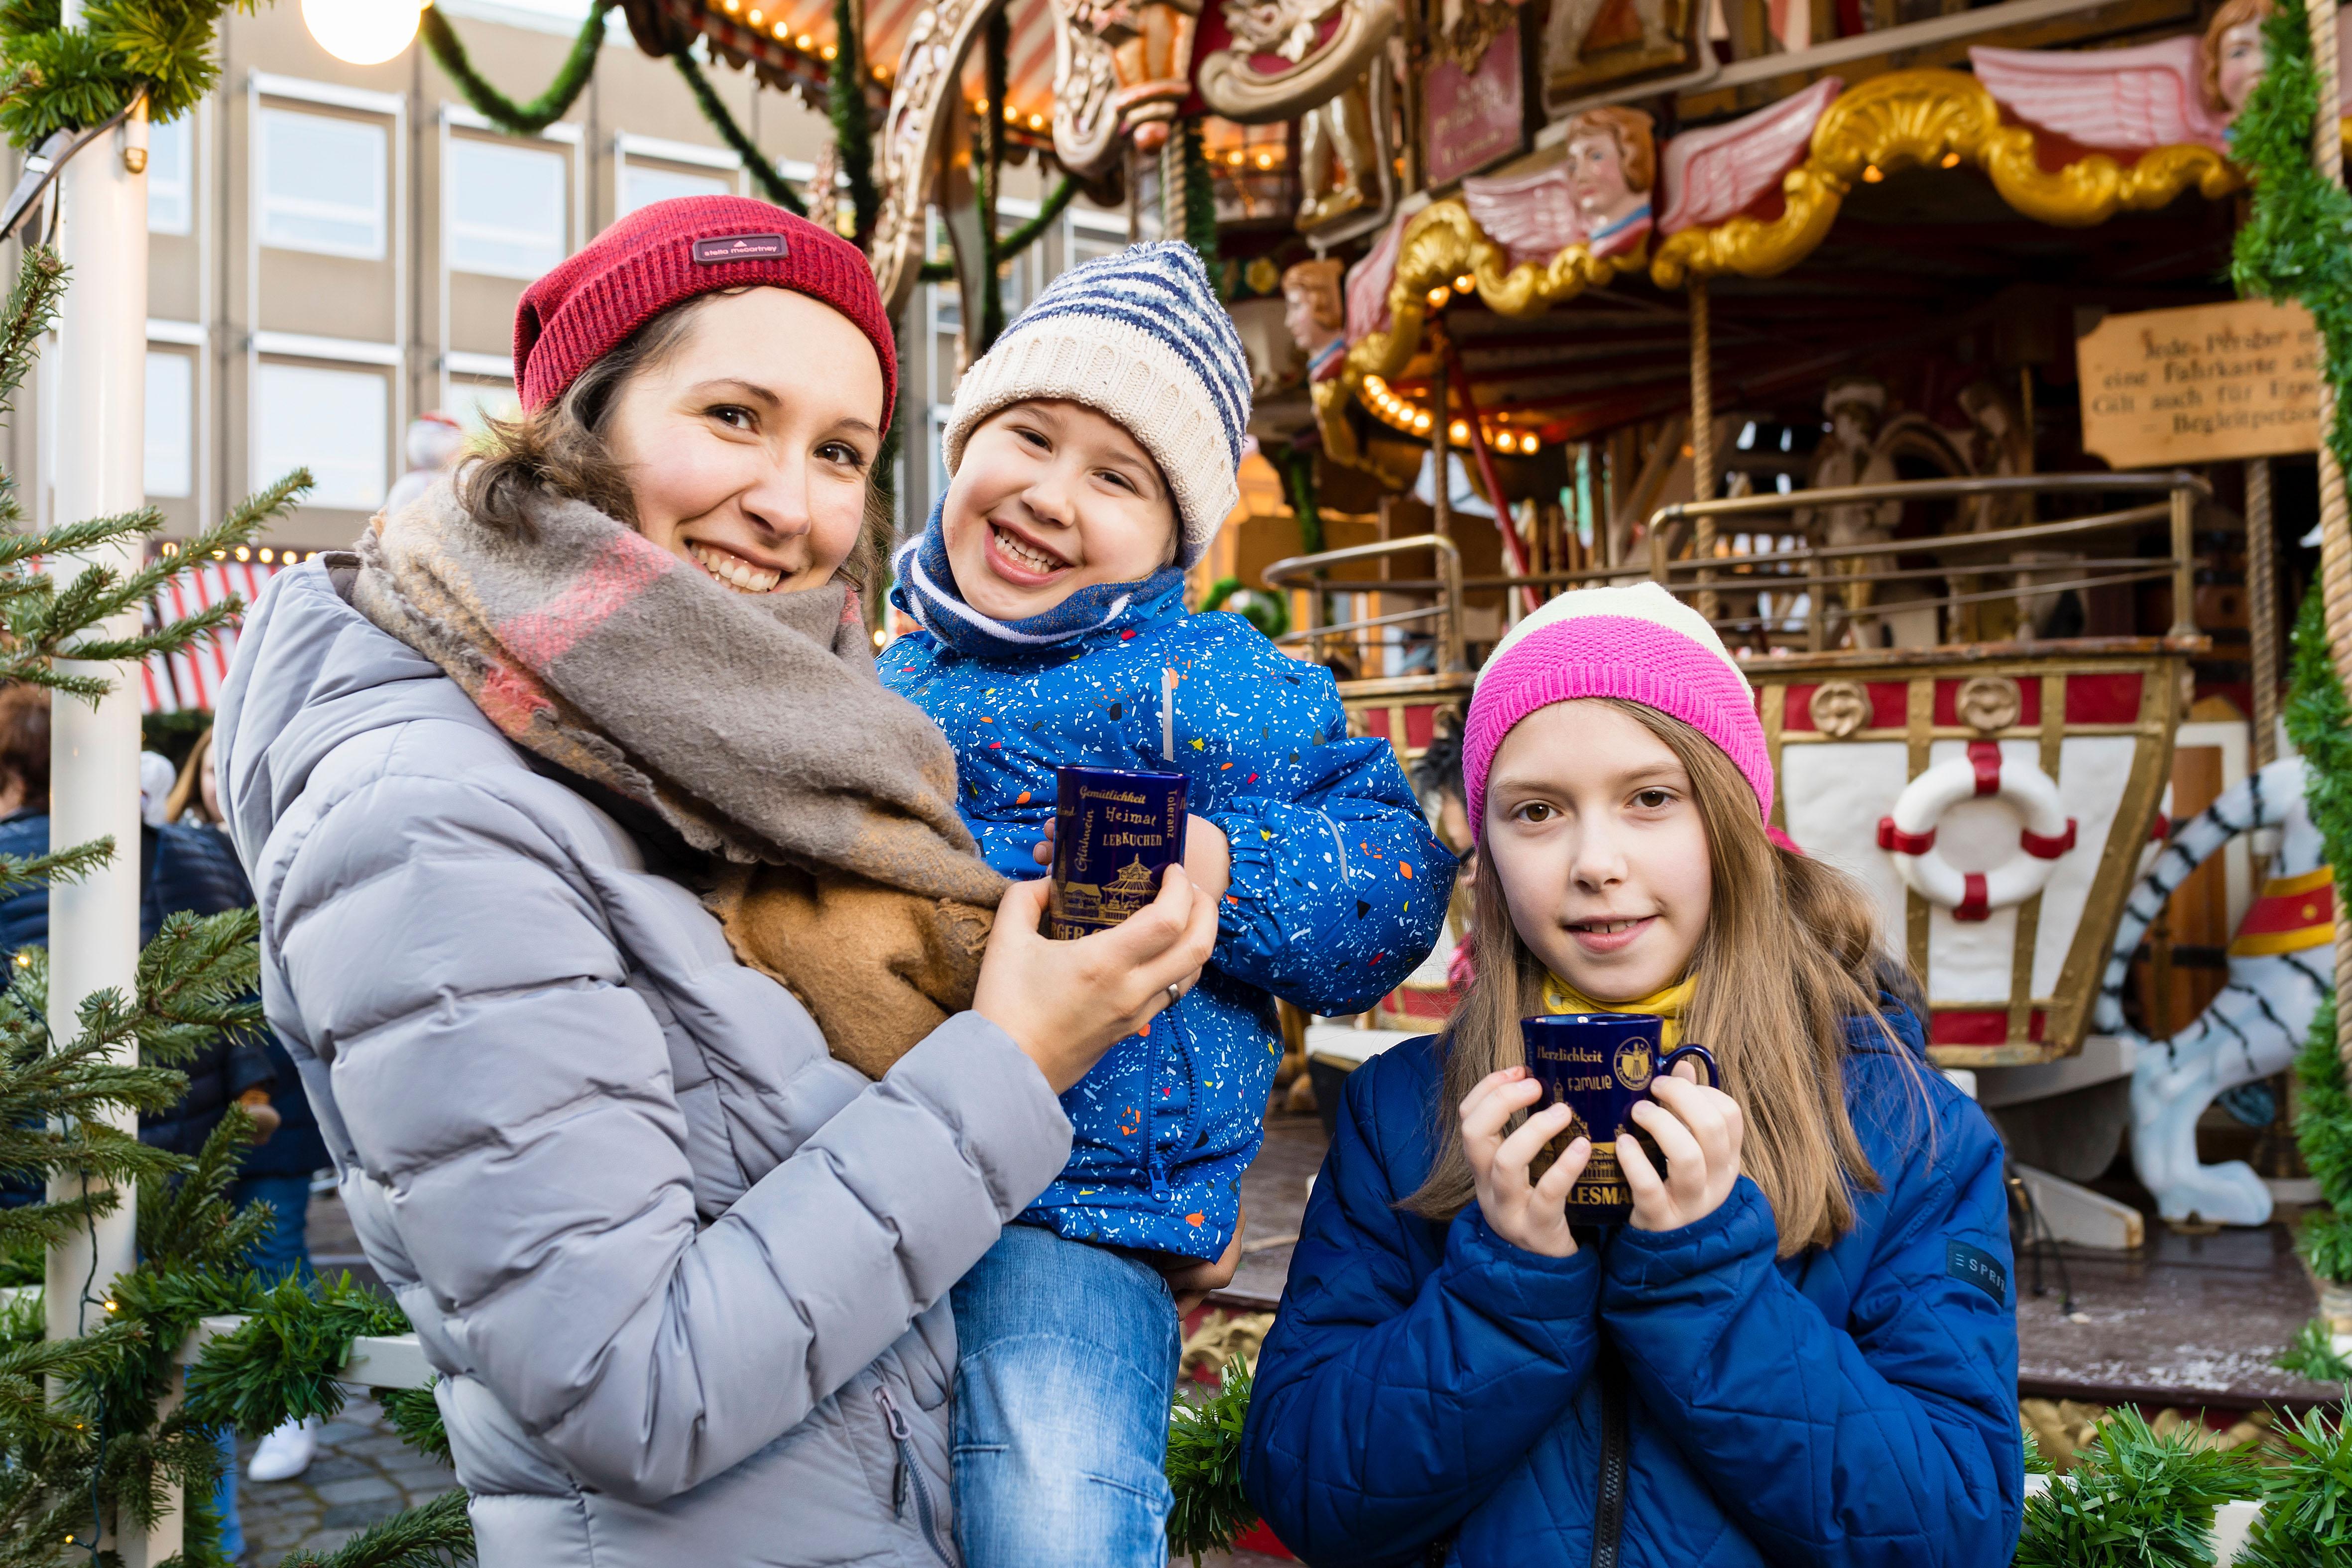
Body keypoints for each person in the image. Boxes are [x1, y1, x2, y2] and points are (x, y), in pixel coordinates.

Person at [214, 197, 1219, 1567]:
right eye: (734, 416)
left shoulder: (727, 749)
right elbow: (629, 1384)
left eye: (841, 451)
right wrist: (1016, 1059)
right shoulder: (431, 814)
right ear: (583, 416)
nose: (790, 502)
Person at [1239, 583, 2022, 1567]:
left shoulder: (1909, 1131)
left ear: (1735, 823)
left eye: (1651, 798)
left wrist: (1704, 1273)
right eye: (1536, 812)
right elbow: (1308, 1494)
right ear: (1485, 854)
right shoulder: (1402, 1115)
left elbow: (1951, 1530)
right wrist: (1505, 1283)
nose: (1594, 861)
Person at [880, 241, 1456, 1568]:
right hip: (861, 1156)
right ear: (962, 439)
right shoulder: (878, 669)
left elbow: (1388, 879)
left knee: (1054, 1500)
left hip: (1081, 1196)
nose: (1048, 491)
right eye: (1026, 434)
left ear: (1173, 539)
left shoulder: (1203, 680)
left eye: (1115, 475)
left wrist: (1219, 861)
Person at [0, 688, 280, 1559]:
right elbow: (244, 987)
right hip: (182, 1186)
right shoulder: (186, 850)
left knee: (40, 1421)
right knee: (185, 1425)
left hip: (28, 1199)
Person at [166, 726, 334, 1483]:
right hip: (197, 1103)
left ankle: (291, 1409)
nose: (218, 781)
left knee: (275, 1254)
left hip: (283, 1097)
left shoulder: (294, 846)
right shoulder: (171, 859)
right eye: (211, 767)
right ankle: (227, 1406)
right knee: (206, 1263)